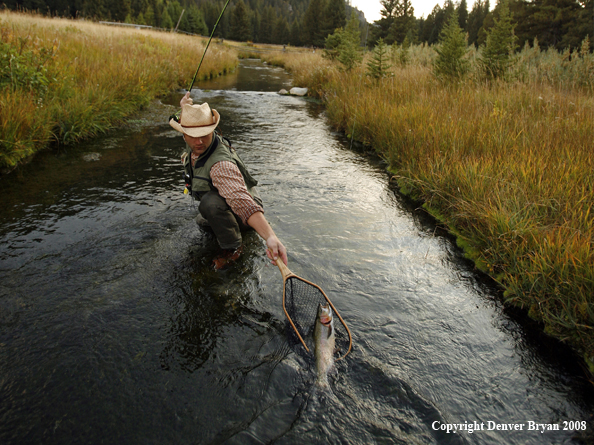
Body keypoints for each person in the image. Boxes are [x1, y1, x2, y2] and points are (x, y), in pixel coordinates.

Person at [170, 92, 288, 269]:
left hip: (244, 209)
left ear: (213, 130)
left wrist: (270, 236)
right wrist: (184, 107)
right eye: (193, 135)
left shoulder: (221, 166)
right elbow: (180, 122)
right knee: (203, 220)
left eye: (205, 134)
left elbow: (241, 200)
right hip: (227, 201)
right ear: (184, 134)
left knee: (208, 206)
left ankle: (234, 248)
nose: (199, 140)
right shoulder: (193, 138)